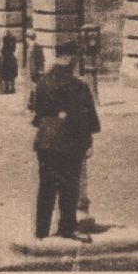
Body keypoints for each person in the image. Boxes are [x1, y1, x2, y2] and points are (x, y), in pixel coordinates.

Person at [30, 43, 100, 242]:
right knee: (69, 187)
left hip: (45, 141)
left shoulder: (43, 82)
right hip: (67, 142)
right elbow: (82, 118)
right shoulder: (77, 85)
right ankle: (67, 228)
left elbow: (38, 114)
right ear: (70, 59)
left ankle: (41, 230)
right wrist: (88, 141)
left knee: (46, 187)